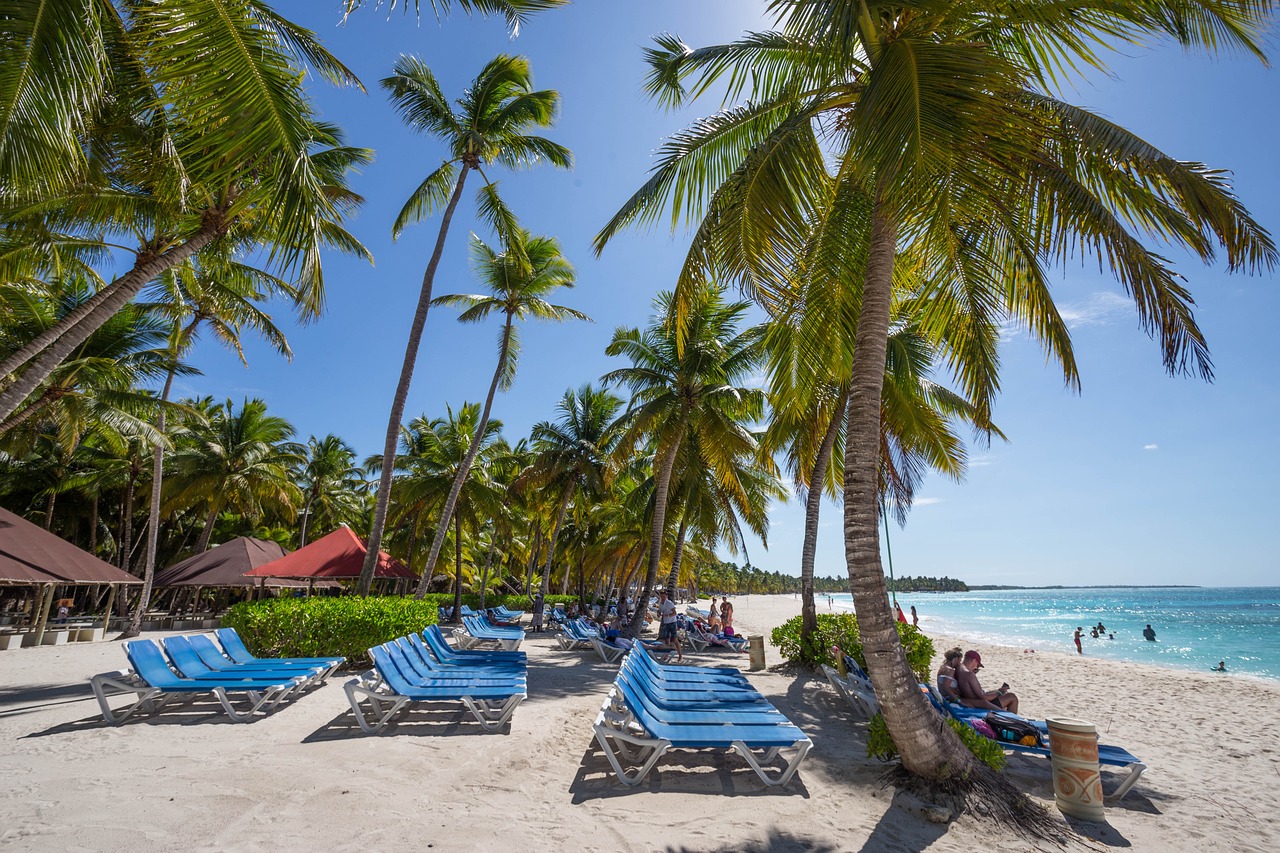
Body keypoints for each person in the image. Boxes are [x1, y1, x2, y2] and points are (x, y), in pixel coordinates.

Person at [656, 590, 682, 662]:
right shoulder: (661, 603)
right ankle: (667, 655)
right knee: (667, 640)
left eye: (664, 596)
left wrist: (667, 615)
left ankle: (680, 655)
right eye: (661, 596)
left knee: (675, 639)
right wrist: (658, 613)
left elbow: (674, 613)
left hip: (672, 622)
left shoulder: (669, 603)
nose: (663, 598)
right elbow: (660, 610)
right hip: (666, 623)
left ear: (666, 596)